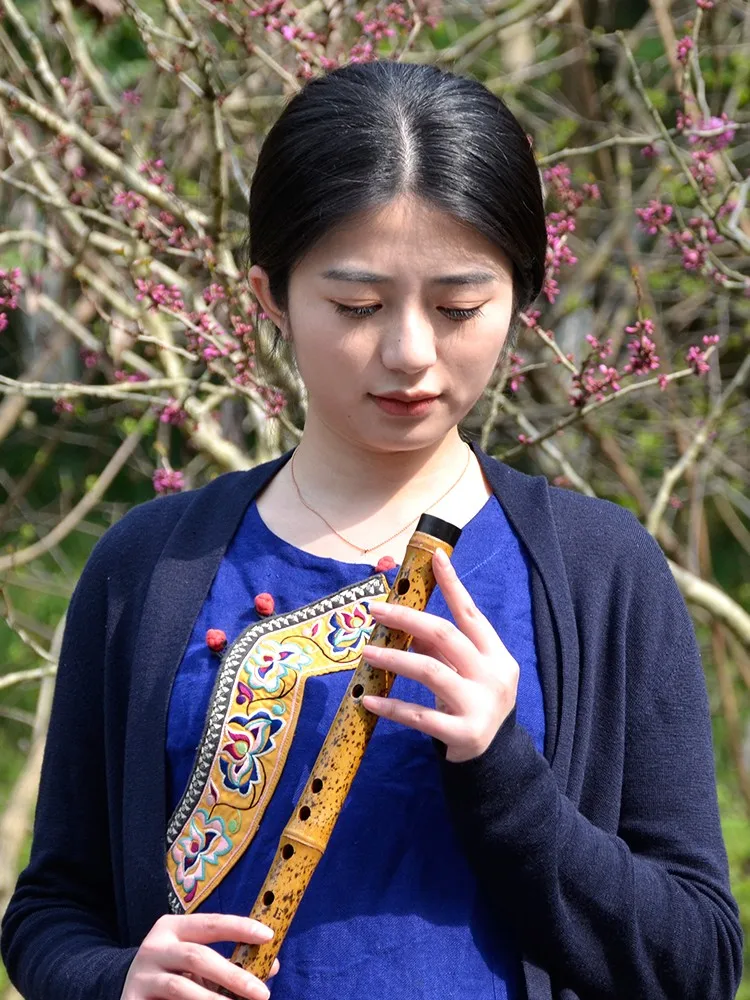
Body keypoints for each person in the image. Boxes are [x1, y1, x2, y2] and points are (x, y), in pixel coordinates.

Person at [0, 58, 742, 1000]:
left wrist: (503, 772)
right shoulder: (150, 566)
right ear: (269, 296)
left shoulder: (604, 573)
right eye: (357, 306)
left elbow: (698, 962)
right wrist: (114, 981)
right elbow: (52, 908)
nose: (410, 353)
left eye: (459, 306)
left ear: (522, 297)